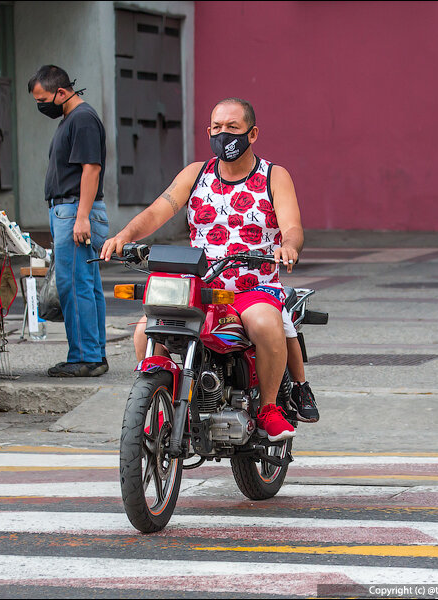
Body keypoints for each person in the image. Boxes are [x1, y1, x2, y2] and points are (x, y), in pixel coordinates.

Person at [102, 98, 318, 441]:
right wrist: (124, 236)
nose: (223, 135)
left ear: (252, 133)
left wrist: (288, 246)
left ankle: (269, 408)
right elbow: (159, 210)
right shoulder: (195, 173)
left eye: (232, 128)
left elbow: (292, 227)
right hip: (200, 286)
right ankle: (164, 402)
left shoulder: (274, 176)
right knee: (146, 329)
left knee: (265, 323)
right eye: (216, 128)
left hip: (254, 287)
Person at [28, 65, 109, 377]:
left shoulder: (82, 119)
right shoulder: (72, 119)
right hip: (71, 210)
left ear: (61, 92)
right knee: (85, 285)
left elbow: (91, 168)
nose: (41, 106)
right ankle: (92, 354)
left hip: (75, 210)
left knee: (74, 285)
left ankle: (85, 357)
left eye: (43, 99)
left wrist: (82, 217)